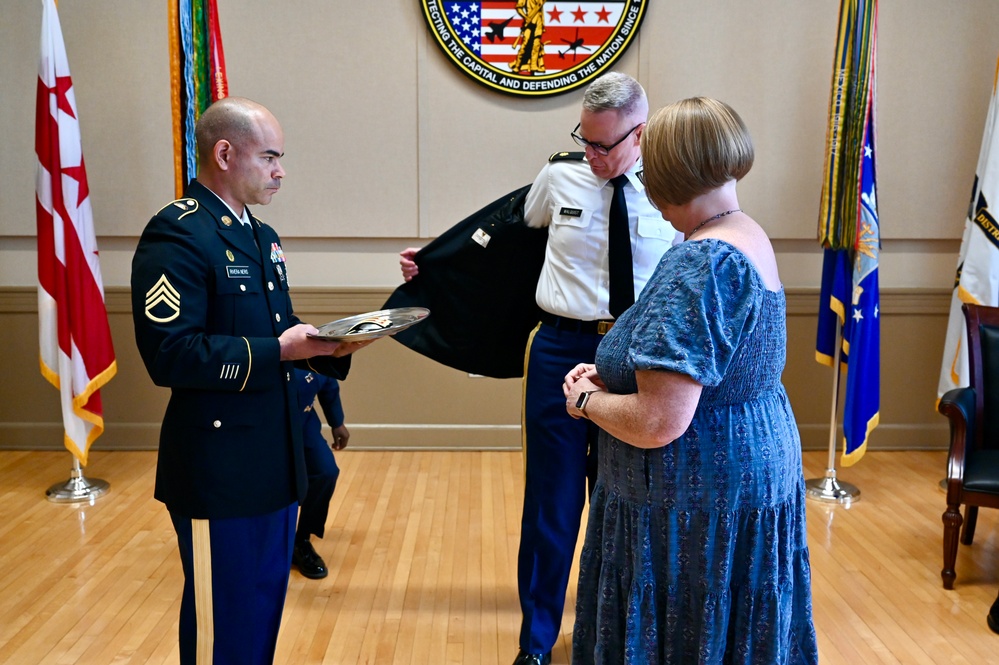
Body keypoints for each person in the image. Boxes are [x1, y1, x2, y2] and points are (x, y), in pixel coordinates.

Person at [401, 72, 679, 665]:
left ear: (642, 134)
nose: (593, 155)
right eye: (586, 140)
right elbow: (497, 238)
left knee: (627, 504)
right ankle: (536, 645)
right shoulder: (559, 177)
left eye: (606, 145)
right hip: (559, 349)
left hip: (636, 362)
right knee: (550, 506)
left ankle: (619, 638)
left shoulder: (670, 190)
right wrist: (433, 264)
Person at [562, 97, 818, 663]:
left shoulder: (700, 262)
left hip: (692, 506)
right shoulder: (744, 233)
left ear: (663, 177)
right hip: (745, 476)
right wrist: (610, 375)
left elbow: (659, 422)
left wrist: (585, 400)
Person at [131, 96, 372, 665]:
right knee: (225, 621)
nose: (280, 170)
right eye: (269, 157)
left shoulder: (261, 237)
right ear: (224, 152)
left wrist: (327, 346)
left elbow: (278, 333)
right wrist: (279, 349)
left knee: (261, 610)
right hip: (220, 466)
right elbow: (172, 353)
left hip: (273, 456)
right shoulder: (179, 234)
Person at [291, 368, 350, 579]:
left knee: (326, 472)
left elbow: (327, 382)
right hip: (268, 428)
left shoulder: (316, 342)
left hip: (304, 424)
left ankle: (301, 541)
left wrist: (337, 422)